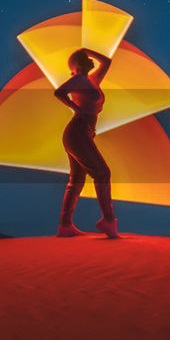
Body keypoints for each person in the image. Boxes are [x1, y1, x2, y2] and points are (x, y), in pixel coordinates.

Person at [53, 48, 119, 238]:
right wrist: (75, 108)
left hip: (83, 133)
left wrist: (87, 50)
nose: (92, 60)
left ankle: (65, 226)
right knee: (102, 172)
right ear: (80, 64)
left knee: (76, 180)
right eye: (87, 58)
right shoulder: (80, 80)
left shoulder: (91, 80)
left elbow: (106, 62)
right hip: (78, 132)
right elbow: (59, 92)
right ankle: (108, 221)